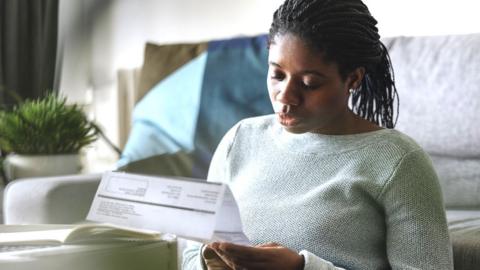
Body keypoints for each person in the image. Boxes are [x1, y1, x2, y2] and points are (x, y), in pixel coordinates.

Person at [183, 0, 453, 269]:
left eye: (309, 83)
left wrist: (301, 268)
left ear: (353, 79)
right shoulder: (239, 139)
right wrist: (211, 263)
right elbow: (190, 254)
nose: (285, 96)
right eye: (277, 75)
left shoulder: (399, 162)